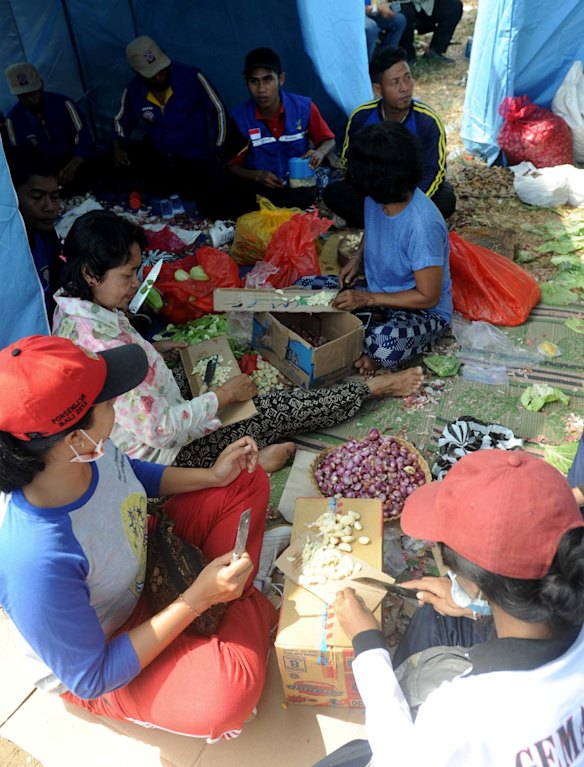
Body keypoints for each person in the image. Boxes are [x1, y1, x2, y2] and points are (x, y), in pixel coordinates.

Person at [0, 334, 277, 740]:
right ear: (75, 439)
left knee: (245, 481)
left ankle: (228, 607)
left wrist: (212, 476)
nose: (116, 413)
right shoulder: (34, 559)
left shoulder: (88, 449)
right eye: (110, 405)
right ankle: (232, 605)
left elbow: (129, 473)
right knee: (225, 696)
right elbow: (92, 675)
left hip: (144, 561)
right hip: (112, 644)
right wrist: (196, 598)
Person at [53, 210, 424, 470]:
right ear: (90, 274)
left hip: (146, 421)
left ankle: (243, 455)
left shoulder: (70, 306)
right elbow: (163, 432)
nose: (136, 284)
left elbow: (131, 382)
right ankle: (370, 390)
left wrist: (155, 350)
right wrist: (225, 395)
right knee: (270, 409)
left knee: (209, 365)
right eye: (129, 274)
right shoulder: (104, 347)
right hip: (163, 459)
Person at [315, 449, 584, 766]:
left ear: (471, 581)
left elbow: (397, 757)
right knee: (434, 612)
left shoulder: (461, 710)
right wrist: (477, 608)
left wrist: (368, 643)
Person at [299, 121, 451, 373]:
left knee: (383, 344)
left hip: (422, 312)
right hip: (376, 291)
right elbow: (375, 230)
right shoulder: (376, 197)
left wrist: (367, 298)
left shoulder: (423, 226)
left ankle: (365, 337)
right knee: (304, 289)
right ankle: (364, 329)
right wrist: (356, 259)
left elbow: (428, 296)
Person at [322, 47, 456, 228]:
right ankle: (394, 222)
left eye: (408, 77)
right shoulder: (362, 117)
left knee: (446, 198)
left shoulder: (427, 121)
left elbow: (435, 171)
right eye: (395, 82)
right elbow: (350, 162)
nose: (405, 88)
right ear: (378, 89)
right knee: (333, 192)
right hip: (374, 192)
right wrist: (377, 191)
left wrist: (406, 205)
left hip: (410, 193)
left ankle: (380, 221)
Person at [113, 36, 226, 215]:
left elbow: (219, 111)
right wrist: (118, 145)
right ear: (137, 72)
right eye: (152, 74)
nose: (160, 76)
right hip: (162, 159)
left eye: (162, 69)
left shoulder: (192, 78)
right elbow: (121, 121)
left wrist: (219, 147)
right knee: (157, 203)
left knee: (205, 202)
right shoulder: (134, 91)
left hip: (195, 158)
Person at [223, 47, 336, 217]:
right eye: (254, 81)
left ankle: (273, 214)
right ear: (246, 82)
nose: (261, 89)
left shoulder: (304, 108)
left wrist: (319, 153)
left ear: (281, 79)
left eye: (268, 79)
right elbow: (231, 166)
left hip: (297, 186)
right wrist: (257, 176)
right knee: (222, 196)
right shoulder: (240, 118)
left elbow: (330, 141)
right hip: (261, 188)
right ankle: (277, 213)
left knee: (305, 196)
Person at [4, 62, 94, 188]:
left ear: (41, 86)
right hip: (44, 173)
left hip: (75, 162)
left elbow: (84, 139)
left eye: (33, 93)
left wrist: (72, 166)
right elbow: (21, 159)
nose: (30, 99)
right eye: (24, 96)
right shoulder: (13, 120)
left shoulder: (64, 104)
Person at [6, 146, 63, 316]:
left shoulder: (47, 237)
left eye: (55, 196)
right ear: (13, 196)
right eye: (37, 197)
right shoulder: (7, 250)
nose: (50, 207)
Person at [400, 0, 463, 65]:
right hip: (403, 3)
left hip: (426, 3)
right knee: (404, 13)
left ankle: (435, 50)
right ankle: (408, 55)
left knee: (454, 6)